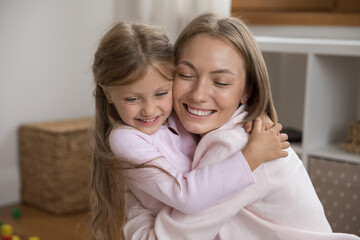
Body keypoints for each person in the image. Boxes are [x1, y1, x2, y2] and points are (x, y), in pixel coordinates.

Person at [123, 13, 360, 240]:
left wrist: (135, 194)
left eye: (221, 82)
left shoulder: (234, 146)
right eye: (185, 75)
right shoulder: (196, 130)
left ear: (247, 91)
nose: (199, 95)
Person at [90, 21, 289, 240]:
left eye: (161, 94)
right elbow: (185, 196)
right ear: (108, 93)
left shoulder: (174, 118)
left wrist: (253, 111)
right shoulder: (125, 138)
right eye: (132, 98)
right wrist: (252, 156)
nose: (149, 110)